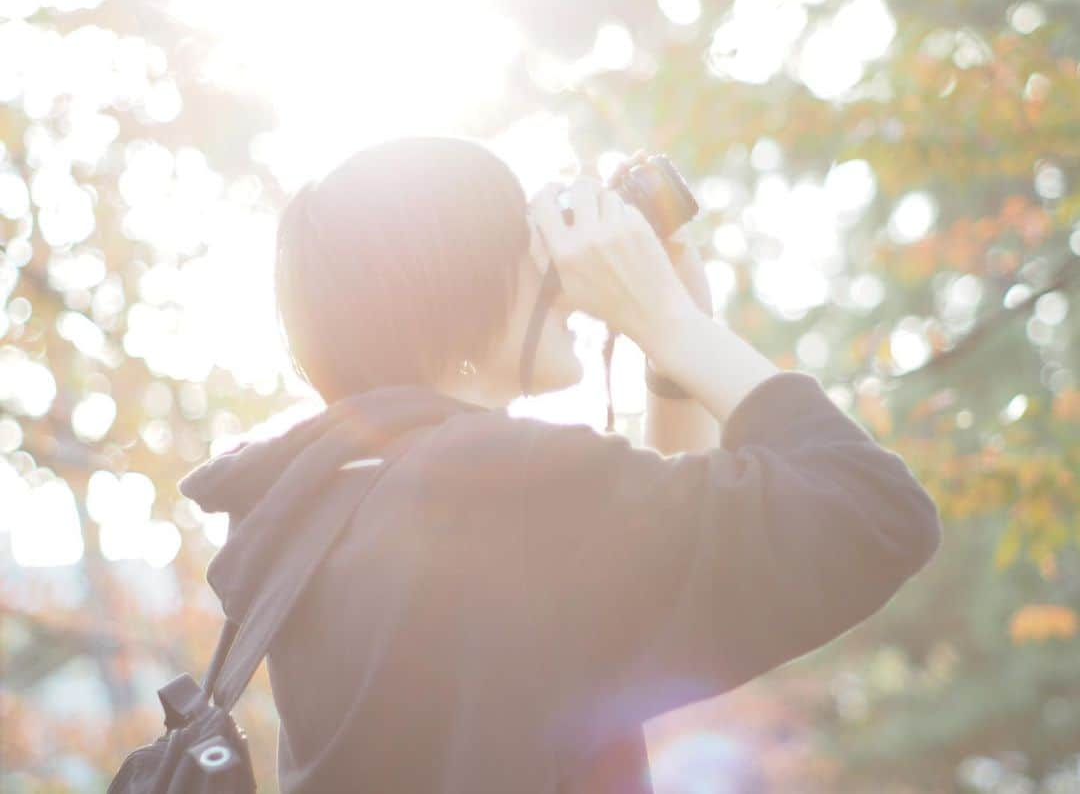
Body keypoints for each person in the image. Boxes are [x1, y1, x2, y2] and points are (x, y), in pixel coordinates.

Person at [178, 136, 942, 794]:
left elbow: (642, 595)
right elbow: (871, 510)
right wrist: (669, 323)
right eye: (526, 239)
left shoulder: (324, 502)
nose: (560, 272)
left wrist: (671, 355)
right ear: (464, 279)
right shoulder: (492, 490)